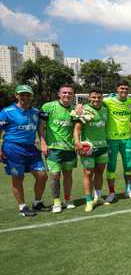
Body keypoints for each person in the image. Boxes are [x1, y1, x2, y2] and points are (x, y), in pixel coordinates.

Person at [0, 85, 49, 217]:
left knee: (42, 175)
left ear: (31, 97)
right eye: (22, 94)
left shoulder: (35, 112)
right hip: (13, 148)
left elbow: (40, 128)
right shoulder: (7, 111)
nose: (25, 97)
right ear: (16, 95)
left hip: (31, 149)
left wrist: (43, 142)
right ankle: (22, 206)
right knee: (18, 178)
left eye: (28, 95)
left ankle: (37, 203)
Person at [40, 84, 77, 213]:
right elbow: (41, 126)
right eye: (64, 93)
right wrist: (43, 143)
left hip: (70, 149)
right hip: (53, 149)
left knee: (68, 175)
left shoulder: (74, 110)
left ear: (73, 95)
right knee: (55, 175)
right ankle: (56, 202)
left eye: (69, 93)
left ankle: (67, 199)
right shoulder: (48, 107)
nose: (67, 95)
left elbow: (77, 129)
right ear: (59, 94)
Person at [101, 80, 131, 203]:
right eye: (122, 88)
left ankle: (129, 190)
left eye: (126, 89)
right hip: (111, 139)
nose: (124, 91)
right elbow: (93, 102)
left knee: (128, 166)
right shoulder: (107, 101)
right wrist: (79, 106)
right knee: (111, 167)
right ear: (117, 89)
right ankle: (111, 193)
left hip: (127, 139)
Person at [73, 89, 109, 211]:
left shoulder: (105, 109)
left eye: (99, 97)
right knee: (88, 174)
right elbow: (77, 129)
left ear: (102, 98)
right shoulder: (84, 110)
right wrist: (77, 143)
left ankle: (97, 197)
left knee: (99, 173)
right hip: (88, 148)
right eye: (93, 97)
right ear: (88, 98)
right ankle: (89, 200)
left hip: (103, 147)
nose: (96, 99)